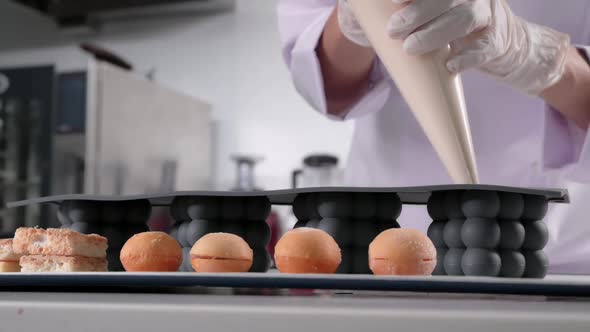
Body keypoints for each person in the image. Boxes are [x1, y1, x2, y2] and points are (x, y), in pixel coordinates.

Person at [277, 0, 590, 274]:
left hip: (556, 259)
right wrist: (359, 16)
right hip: (388, 253)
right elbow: (327, 86)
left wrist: (538, 55)